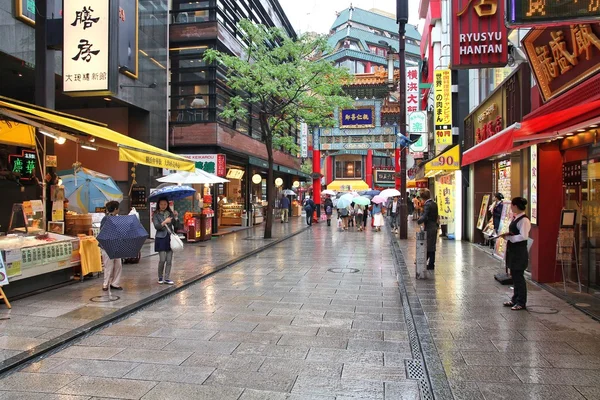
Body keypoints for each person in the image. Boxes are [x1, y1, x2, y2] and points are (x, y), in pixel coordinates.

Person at [500, 197, 531, 311]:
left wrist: (510, 238)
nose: (511, 207)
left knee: (519, 277)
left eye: (512, 205)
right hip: (513, 251)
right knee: (515, 276)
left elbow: (524, 236)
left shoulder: (524, 220)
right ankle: (515, 299)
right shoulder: (516, 218)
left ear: (516, 206)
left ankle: (521, 302)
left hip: (519, 252)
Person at [152, 197, 180, 285]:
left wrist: (175, 217)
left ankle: (167, 277)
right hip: (160, 238)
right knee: (162, 259)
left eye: (165, 204)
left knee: (169, 260)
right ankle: (160, 277)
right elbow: (157, 227)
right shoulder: (156, 214)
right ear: (158, 205)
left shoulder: (170, 213)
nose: (163, 206)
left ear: (167, 205)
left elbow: (176, 226)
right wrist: (165, 222)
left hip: (169, 238)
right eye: (161, 204)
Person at [100, 201, 123, 291]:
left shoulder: (117, 218)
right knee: (108, 266)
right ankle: (105, 284)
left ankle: (115, 283)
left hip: (116, 245)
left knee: (118, 264)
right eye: (118, 208)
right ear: (115, 209)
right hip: (107, 246)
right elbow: (103, 231)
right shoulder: (106, 219)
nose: (119, 209)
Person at [417, 189, 439, 278]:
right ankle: (431, 264)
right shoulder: (434, 204)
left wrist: (419, 221)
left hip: (429, 227)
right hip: (434, 226)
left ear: (423, 197)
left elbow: (425, 216)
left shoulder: (427, 205)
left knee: (429, 246)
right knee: (432, 246)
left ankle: (429, 264)